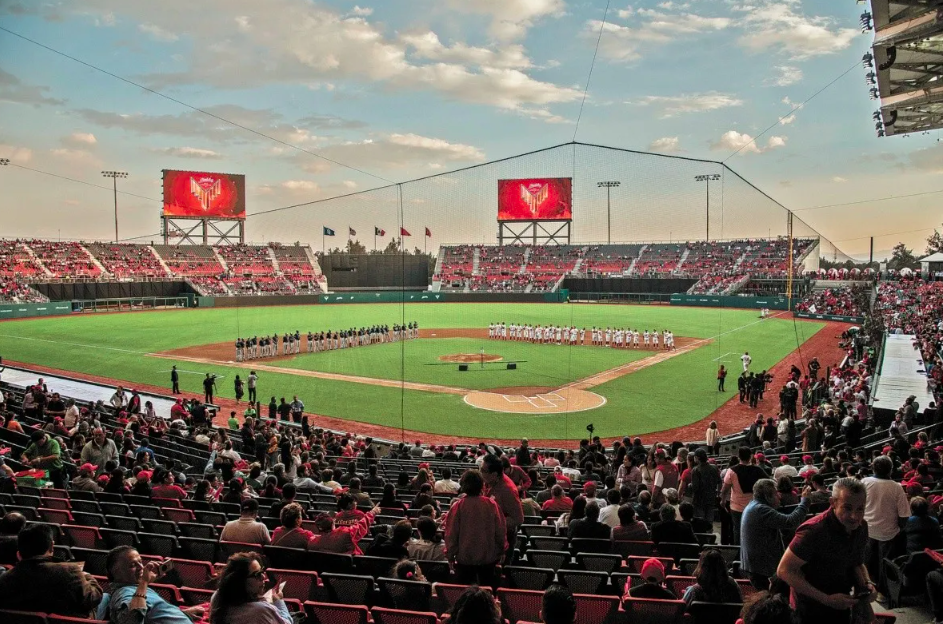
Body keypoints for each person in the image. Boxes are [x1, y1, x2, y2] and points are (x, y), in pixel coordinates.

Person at [776, 477, 876, 623]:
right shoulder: (813, 531)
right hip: (809, 610)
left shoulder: (861, 527)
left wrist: (867, 584)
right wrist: (827, 599)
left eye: (860, 508)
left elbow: (856, 562)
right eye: (847, 508)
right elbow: (784, 570)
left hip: (841, 603)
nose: (854, 516)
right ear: (833, 503)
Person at [0, 524, 102, 617]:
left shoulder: (4, 579)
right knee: (105, 596)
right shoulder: (70, 571)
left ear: (19, 554)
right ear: (52, 547)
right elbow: (94, 597)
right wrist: (87, 576)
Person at [99, 545, 204, 624]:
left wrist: (183, 613)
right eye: (132, 565)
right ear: (116, 572)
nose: (141, 567)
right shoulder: (124, 592)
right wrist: (144, 582)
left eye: (140, 562)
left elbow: (152, 615)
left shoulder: (135, 588)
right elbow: (131, 620)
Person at [739, 478, 811, 590]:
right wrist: (805, 501)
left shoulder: (754, 506)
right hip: (761, 569)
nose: (779, 497)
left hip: (757, 566)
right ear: (768, 496)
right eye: (776, 494)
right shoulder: (761, 510)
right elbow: (790, 522)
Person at [444, 469, 507, 586]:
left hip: (464, 559)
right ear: (482, 485)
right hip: (488, 558)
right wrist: (502, 549)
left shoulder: (458, 506)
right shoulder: (491, 505)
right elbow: (501, 530)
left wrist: (450, 554)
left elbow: (451, 534)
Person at [861, 454, 909, 595]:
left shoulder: (864, 482)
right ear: (890, 470)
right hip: (888, 531)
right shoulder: (897, 487)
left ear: (873, 468)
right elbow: (904, 515)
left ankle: (866, 588)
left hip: (867, 528)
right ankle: (882, 592)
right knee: (884, 562)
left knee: (866, 560)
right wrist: (899, 529)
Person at [210, 551, 292, 624]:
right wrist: (279, 601)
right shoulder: (260, 610)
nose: (263, 577)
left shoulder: (217, 596)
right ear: (240, 581)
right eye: (257, 574)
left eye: (262, 571)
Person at [721, 447, 766, 545]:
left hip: (737, 507)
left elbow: (724, 489)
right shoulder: (757, 470)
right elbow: (769, 483)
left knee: (737, 530)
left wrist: (723, 500)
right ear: (750, 457)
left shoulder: (732, 470)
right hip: (753, 506)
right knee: (752, 530)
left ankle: (739, 554)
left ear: (739, 457)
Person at [308, 505, 380, 555]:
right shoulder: (345, 533)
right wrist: (372, 513)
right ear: (333, 522)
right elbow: (361, 525)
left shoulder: (312, 543)